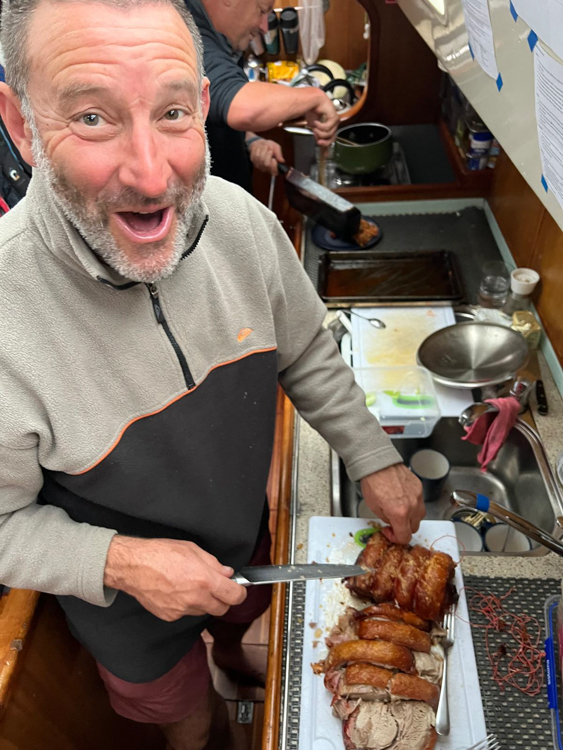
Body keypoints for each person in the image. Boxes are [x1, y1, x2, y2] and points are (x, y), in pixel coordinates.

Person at [0, 0, 424, 748]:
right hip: (121, 609)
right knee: (185, 721)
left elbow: (304, 351)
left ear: (202, 106)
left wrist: (373, 455)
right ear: (21, 121)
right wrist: (123, 563)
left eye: (170, 111)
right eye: (92, 118)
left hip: (243, 541)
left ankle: (232, 657)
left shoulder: (241, 221)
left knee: (242, 630)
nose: (151, 173)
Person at [184, 0, 340, 191]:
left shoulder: (220, 36)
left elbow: (211, 108)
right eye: (262, 11)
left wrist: (250, 140)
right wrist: (314, 97)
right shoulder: (186, 33)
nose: (265, 27)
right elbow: (239, 106)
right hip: (206, 211)